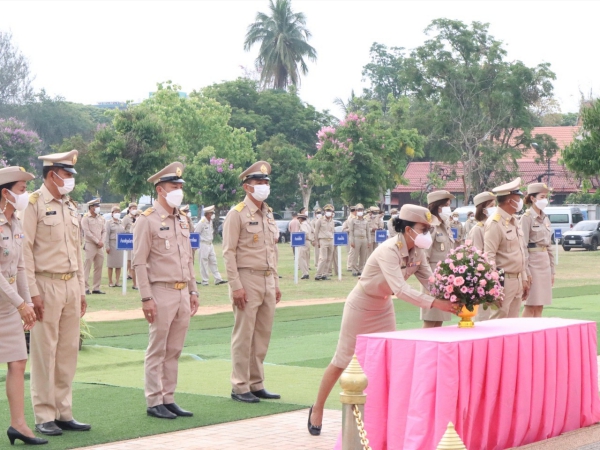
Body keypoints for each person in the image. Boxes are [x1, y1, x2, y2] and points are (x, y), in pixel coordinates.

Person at [307, 204, 457, 436]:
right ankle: (318, 408)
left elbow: (431, 282)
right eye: (424, 229)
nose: (427, 234)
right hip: (361, 306)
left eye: (429, 229)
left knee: (388, 361)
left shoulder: (417, 252)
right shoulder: (389, 250)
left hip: (383, 307)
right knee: (342, 360)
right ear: (408, 229)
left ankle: (381, 416)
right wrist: (437, 304)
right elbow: (401, 289)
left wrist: (456, 294)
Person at [24, 150, 90, 436]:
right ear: (52, 175)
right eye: (66, 175)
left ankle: (64, 412)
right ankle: (44, 415)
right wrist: (32, 293)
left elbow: (77, 250)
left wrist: (82, 289)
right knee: (44, 352)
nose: (70, 180)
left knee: (67, 351)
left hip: (71, 284)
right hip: (46, 284)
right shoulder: (33, 204)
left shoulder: (70, 206)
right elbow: (25, 251)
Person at [132, 162, 199, 419]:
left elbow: (187, 258)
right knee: (157, 348)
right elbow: (139, 262)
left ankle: (168, 397)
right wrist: (146, 297)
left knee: (174, 349)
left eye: (180, 186)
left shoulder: (182, 218)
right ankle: (154, 400)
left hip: (182, 291)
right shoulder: (147, 220)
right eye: (174, 186)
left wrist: (193, 291)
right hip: (161, 291)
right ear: (160, 190)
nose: (179, 191)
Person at [222, 160, 281, 404]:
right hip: (247, 278)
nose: (264, 186)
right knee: (244, 335)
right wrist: (236, 285)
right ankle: (240, 385)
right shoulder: (236, 214)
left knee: (262, 335)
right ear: (247, 187)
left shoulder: (268, 213)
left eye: (266, 182)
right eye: (259, 182)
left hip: (267, 278)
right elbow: (228, 252)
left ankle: (256, 383)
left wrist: (275, 281)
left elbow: (272, 250)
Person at [0, 167, 48, 446]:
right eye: (21, 190)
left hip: (7, 306)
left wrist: (27, 301)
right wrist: (21, 304)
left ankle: (18, 424)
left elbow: (19, 267)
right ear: (5, 193)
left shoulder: (15, 222)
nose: (25, 195)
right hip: (9, 303)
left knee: (18, 361)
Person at [485, 177, 530, 319]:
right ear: (510, 201)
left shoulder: (514, 221)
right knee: (499, 319)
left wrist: (523, 278)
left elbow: (520, 252)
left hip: (517, 279)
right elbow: (489, 256)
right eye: (518, 198)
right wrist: (493, 285)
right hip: (502, 281)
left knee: (513, 323)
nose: (521, 202)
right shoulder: (495, 223)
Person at [421, 190, 455, 328]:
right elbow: (424, 256)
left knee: (439, 319)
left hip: (445, 278)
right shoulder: (430, 227)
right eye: (446, 205)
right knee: (430, 320)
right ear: (437, 207)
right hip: (433, 277)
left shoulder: (445, 225)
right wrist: (429, 282)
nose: (448, 209)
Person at [520, 183, 554, 318]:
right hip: (532, 264)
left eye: (546, 197)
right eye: (542, 197)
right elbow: (523, 246)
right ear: (533, 198)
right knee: (531, 304)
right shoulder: (526, 217)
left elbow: (549, 245)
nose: (545, 200)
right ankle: (524, 330)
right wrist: (526, 271)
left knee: (540, 304)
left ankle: (538, 330)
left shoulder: (545, 218)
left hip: (544, 263)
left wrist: (552, 270)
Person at [467, 192, 497, 322]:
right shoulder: (478, 229)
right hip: (483, 277)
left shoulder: (494, 226)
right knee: (483, 316)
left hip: (495, 273)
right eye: (491, 206)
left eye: (495, 205)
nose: (495, 208)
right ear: (483, 209)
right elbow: (477, 256)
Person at [194, 205, 227, 286]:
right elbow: (196, 234)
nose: (213, 215)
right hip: (203, 244)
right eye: (212, 213)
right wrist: (195, 246)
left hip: (210, 244)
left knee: (213, 261)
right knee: (204, 262)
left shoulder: (210, 221)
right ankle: (205, 281)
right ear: (208, 214)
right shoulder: (202, 222)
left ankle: (218, 279)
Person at [81, 198, 105, 295]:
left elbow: (104, 231)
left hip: (100, 246)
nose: (98, 208)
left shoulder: (101, 218)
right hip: (90, 244)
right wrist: (97, 241)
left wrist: (102, 241)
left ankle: (96, 288)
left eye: (98, 206)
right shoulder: (85, 218)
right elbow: (87, 232)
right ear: (91, 207)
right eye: (96, 206)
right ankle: (85, 288)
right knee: (87, 266)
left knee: (99, 266)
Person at [314, 204, 335, 281]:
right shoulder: (320, 220)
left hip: (330, 240)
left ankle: (325, 274)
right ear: (324, 211)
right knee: (323, 258)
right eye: (327, 210)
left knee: (329, 258)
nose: (329, 212)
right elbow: (316, 232)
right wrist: (317, 241)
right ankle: (318, 274)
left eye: (330, 211)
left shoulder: (332, 221)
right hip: (323, 240)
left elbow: (332, 231)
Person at [348, 203, 370, 277]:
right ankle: (354, 269)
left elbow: (368, 232)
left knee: (363, 255)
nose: (360, 211)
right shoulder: (353, 220)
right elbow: (351, 231)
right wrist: (351, 241)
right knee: (355, 255)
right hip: (356, 239)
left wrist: (369, 241)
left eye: (361, 210)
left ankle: (361, 269)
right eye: (358, 210)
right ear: (356, 211)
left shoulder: (366, 221)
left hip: (364, 239)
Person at [105, 206, 125, 287]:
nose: (117, 213)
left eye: (118, 212)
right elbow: (106, 235)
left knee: (118, 265)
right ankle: (110, 281)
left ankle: (117, 281)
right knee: (110, 264)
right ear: (112, 213)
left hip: (120, 244)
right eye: (115, 212)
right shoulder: (109, 223)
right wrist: (107, 246)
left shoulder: (121, 222)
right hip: (112, 244)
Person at [122, 202, 137, 281]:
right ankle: (128, 273)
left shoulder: (137, 217)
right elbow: (123, 229)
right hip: (128, 239)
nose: (134, 210)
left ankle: (131, 273)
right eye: (133, 208)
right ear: (129, 209)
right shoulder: (126, 218)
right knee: (128, 258)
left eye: (135, 208)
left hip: (135, 239)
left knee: (133, 257)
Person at [297, 213, 313, 279]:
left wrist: (301, 238)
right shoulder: (308, 224)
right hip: (308, 241)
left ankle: (305, 273)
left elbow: (305, 232)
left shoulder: (303, 224)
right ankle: (306, 272)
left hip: (304, 241)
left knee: (301, 257)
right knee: (306, 258)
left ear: (301, 219)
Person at [343, 206, 357, 271]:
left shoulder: (357, 218)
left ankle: (354, 265)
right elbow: (344, 229)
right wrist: (350, 229)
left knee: (355, 252)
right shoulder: (349, 219)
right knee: (351, 252)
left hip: (357, 237)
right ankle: (349, 266)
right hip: (351, 236)